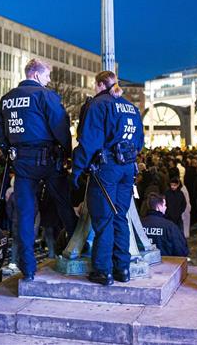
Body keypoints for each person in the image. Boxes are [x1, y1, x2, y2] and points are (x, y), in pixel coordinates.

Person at [0, 58, 78, 281]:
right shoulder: (44, 96)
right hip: (48, 161)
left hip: (22, 163)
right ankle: (79, 249)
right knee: (64, 206)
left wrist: (11, 153)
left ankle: (28, 267)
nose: (49, 80)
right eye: (48, 75)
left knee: (25, 215)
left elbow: (0, 134)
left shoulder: (6, 99)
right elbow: (61, 127)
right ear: (37, 75)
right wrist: (67, 154)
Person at [72, 70, 144, 286]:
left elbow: (89, 141)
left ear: (100, 84)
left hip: (106, 168)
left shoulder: (99, 104)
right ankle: (122, 268)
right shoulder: (130, 107)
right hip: (127, 167)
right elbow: (139, 142)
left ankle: (103, 271)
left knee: (104, 219)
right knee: (121, 217)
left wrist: (76, 170)